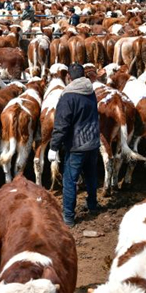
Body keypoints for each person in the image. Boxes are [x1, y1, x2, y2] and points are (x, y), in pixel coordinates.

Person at [49, 64, 100, 227]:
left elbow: (61, 125)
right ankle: (92, 205)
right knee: (91, 176)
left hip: (76, 145)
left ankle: (69, 217)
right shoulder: (90, 91)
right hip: (92, 142)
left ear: (68, 77)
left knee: (70, 181)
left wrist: (53, 146)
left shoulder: (68, 97)